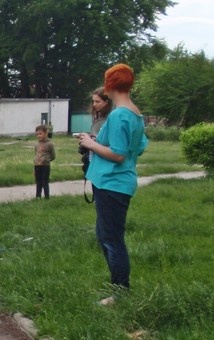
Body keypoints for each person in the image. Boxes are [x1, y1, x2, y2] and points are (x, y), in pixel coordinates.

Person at [78, 64, 148, 305]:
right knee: (104, 234)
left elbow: (118, 154)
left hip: (112, 183)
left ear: (109, 85)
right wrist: (100, 141)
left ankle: (120, 291)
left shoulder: (119, 115)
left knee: (111, 238)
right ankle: (117, 286)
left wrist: (90, 143)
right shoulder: (135, 113)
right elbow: (138, 147)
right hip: (116, 182)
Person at [79, 87, 113, 175]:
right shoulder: (98, 117)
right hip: (94, 162)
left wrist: (91, 142)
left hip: (105, 166)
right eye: (93, 101)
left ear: (107, 102)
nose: (94, 104)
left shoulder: (111, 119)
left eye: (97, 102)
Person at [34, 124, 56, 199]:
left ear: (46, 133)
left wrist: (46, 160)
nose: (38, 136)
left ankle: (47, 197)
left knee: (44, 182)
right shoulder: (37, 144)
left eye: (40, 133)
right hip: (37, 165)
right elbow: (36, 153)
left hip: (45, 166)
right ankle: (38, 196)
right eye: (37, 134)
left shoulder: (50, 144)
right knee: (38, 182)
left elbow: (53, 156)